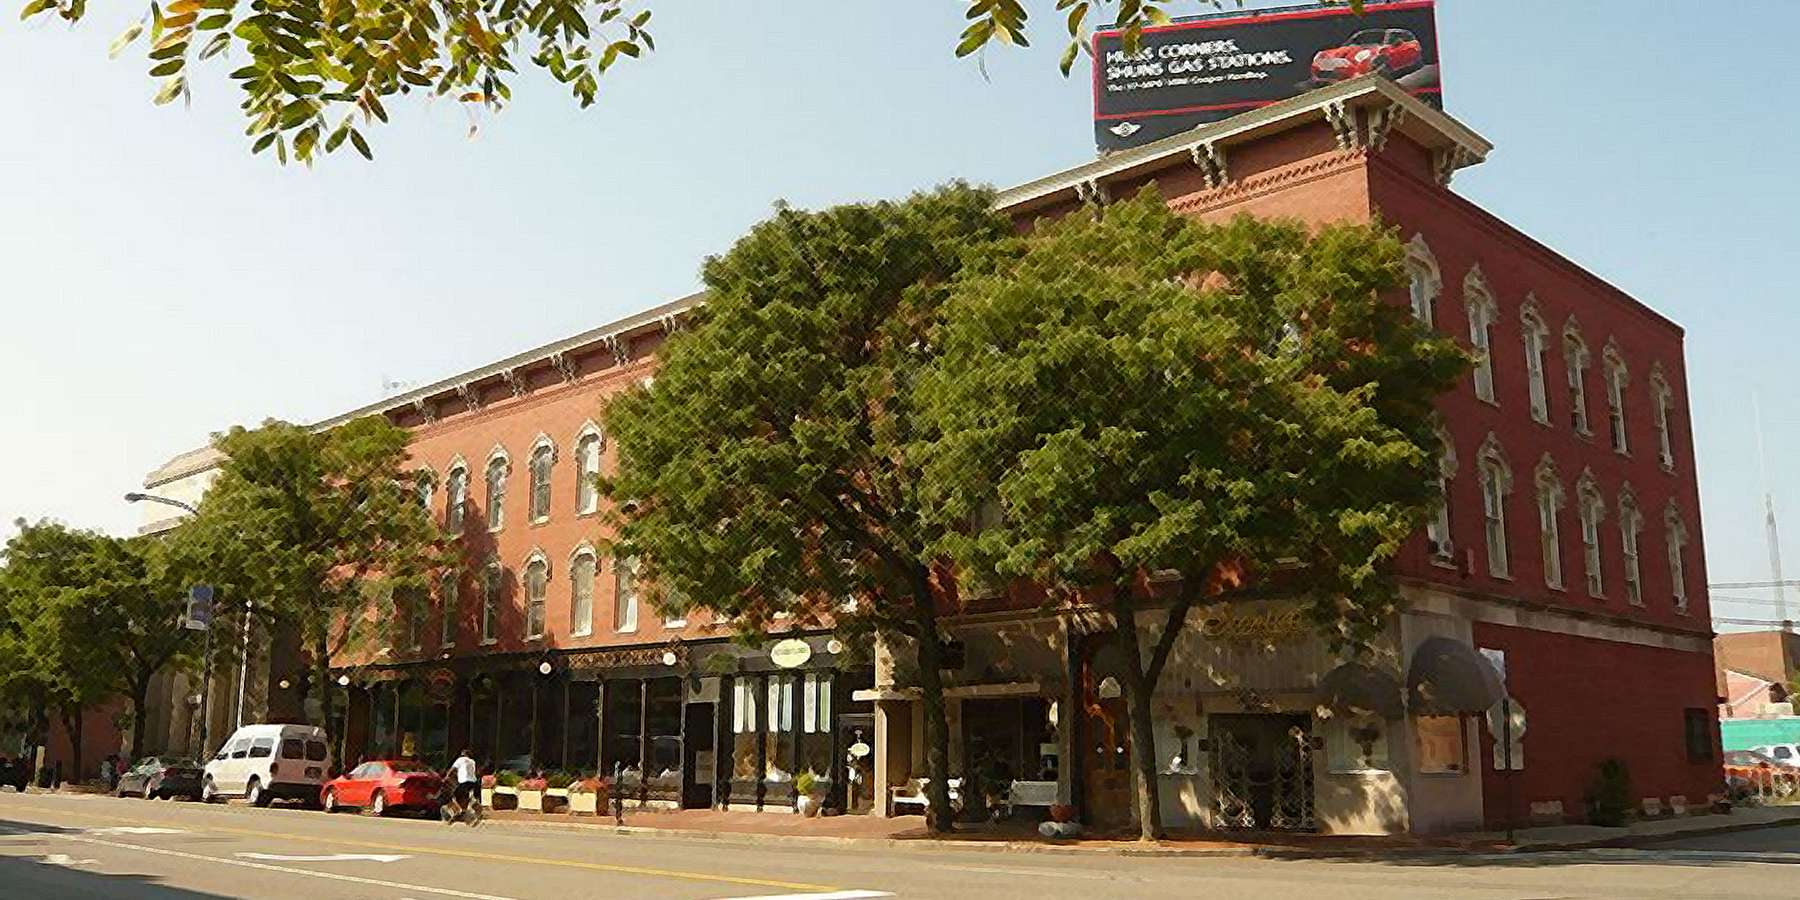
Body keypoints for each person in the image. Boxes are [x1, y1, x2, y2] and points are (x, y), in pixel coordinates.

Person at [443, 748, 480, 822]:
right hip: (474, 782)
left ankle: (460, 811)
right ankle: (464, 812)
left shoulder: (460, 759)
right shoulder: (472, 761)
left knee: (454, 796)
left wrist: (446, 777)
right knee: (464, 797)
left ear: (463, 755)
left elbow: (452, 769)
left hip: (464, 782)